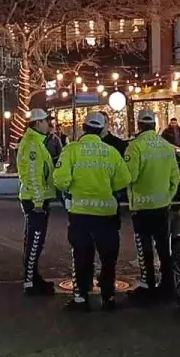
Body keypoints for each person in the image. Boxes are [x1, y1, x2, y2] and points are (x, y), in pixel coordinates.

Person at [53, 112, 132, 312]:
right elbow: (123, 179)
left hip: (80, 213)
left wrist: (72, 189)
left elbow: (60, 180)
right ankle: (108, 297)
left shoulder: (72, 151)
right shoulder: (110, 152)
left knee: (81, 255)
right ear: (101, 129)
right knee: (108, 257)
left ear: (84, 128)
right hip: (106, 213)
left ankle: (81, 298)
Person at [124, 111, 180, 302]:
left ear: (139, 126)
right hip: (162, 206)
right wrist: (168, 196)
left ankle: (147, 284)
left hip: (141, 207)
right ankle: (167, 283)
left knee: (144, 247)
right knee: (164, 246)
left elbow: (129, 177)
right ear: (155, 126)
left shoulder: (135, 147)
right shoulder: (166, 147)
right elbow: (176, 177)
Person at [17, 109, 57, 295]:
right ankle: (30, 282)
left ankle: (33, 278)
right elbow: (33, 175)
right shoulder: (33, 144)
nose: (48, 123)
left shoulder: (35, 142)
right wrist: (39, 203)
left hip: (34, 199)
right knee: (34, 241)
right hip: (35, 201)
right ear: (37, 123)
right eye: (46, 121)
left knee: (34, 241)